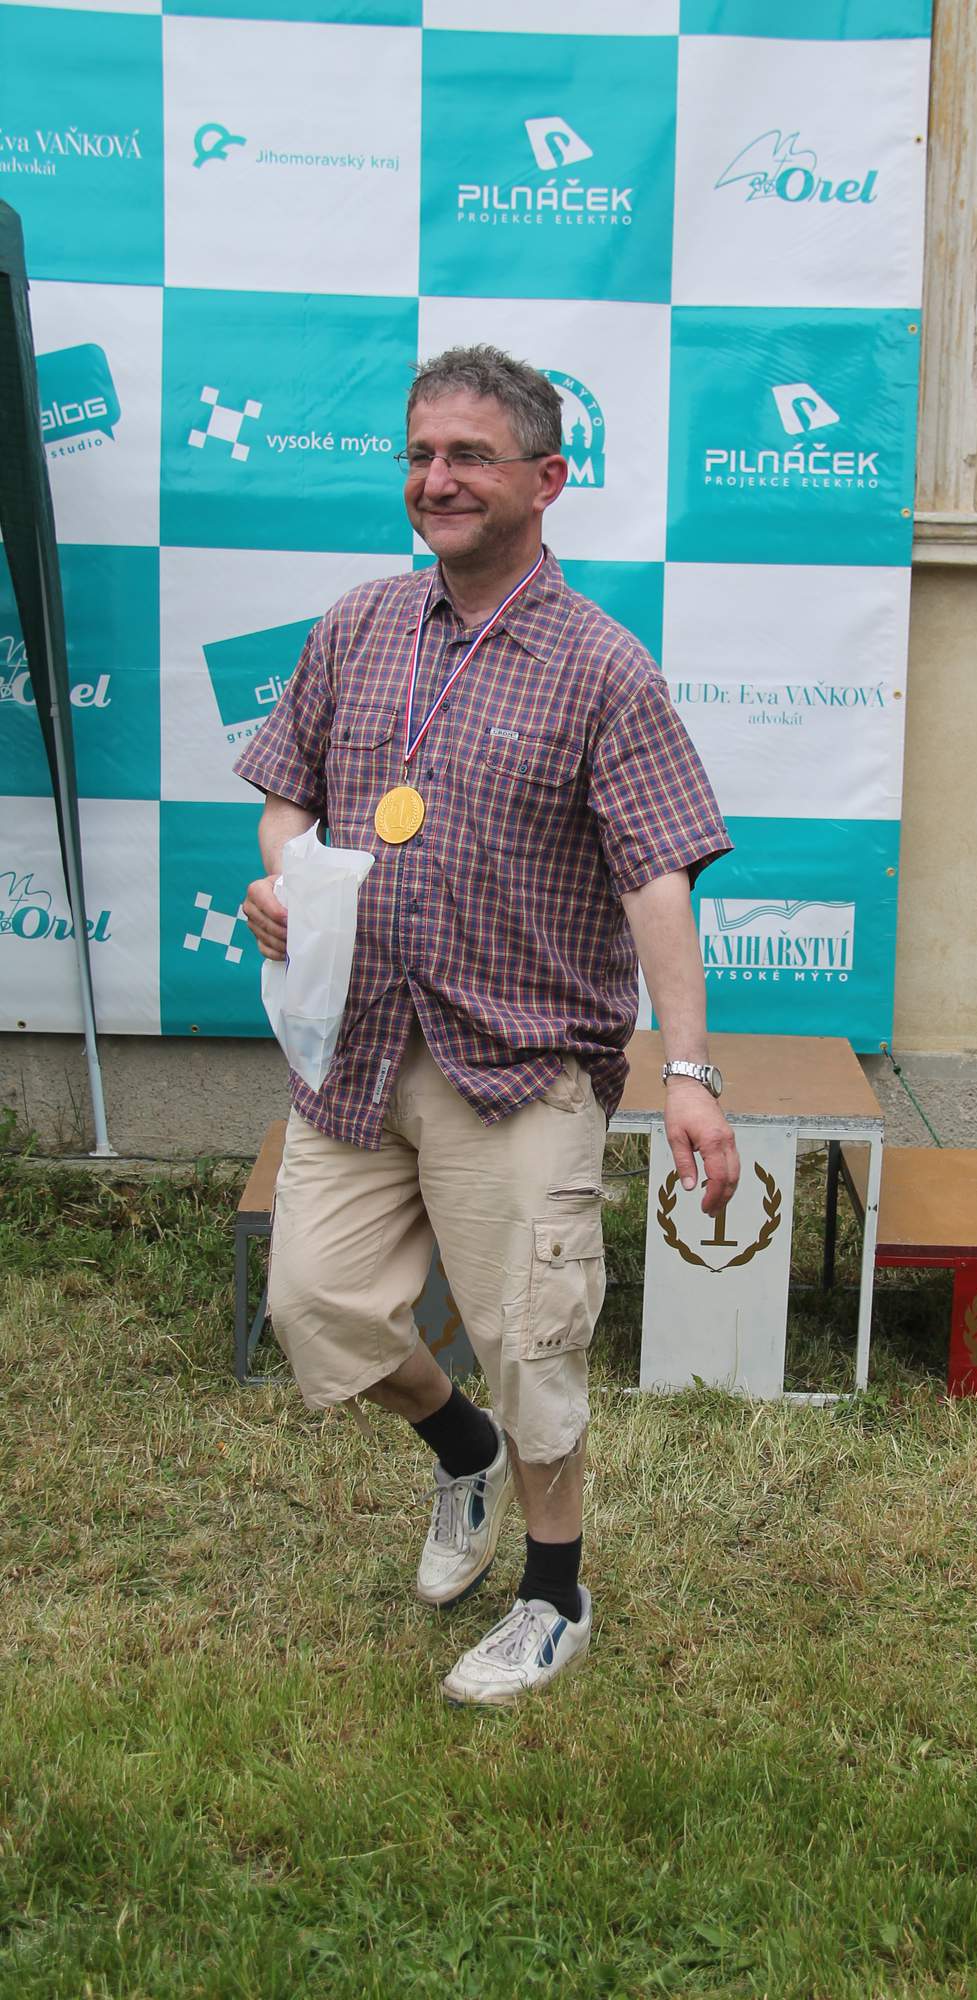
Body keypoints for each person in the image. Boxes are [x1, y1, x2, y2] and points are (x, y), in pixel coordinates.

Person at [236, 344, 739, 1706]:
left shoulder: (601, 666)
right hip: (358, 1051)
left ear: (547, 479)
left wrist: (688, 1071)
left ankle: (553, 1596)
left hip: (517, 1066)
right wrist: (285, 879)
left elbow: (657, 876)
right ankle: (460, 1450)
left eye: (468, 455)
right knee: (316, 1304)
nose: (436, 479)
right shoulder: (357, 625)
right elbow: (287, 797)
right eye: (420, 455)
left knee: (530, 1339)